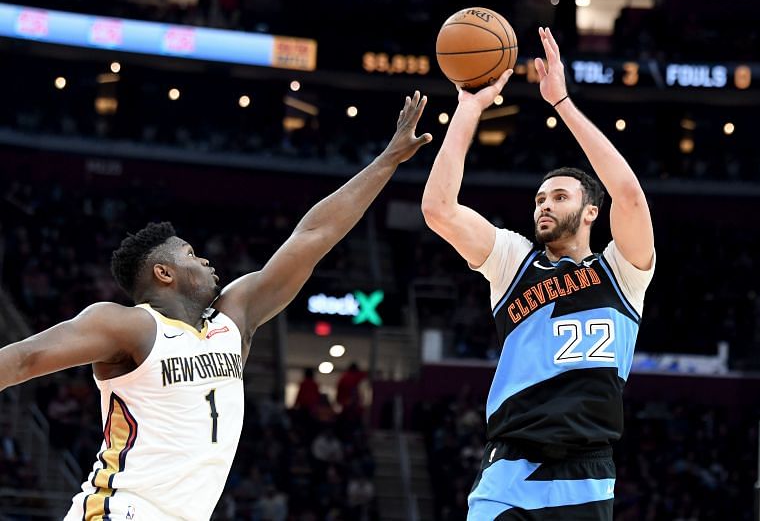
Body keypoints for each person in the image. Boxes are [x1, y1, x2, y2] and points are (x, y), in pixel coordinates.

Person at [0, 91, 432, 520]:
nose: (205, 260)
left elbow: (313, 236)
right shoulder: (128, 327)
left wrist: (387, 160)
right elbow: (24, 359)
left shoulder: (235, 317)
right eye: (189, 254)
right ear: (163, 274)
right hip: (120, 510)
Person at [421, 27, 655, 520]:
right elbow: (439, 209)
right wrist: (468, 108)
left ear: (592, 211)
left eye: (560, 196)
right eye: (539, 199)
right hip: (509, 469)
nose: (545, 205)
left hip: (586, 477)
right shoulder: (513, 262)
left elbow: (630, 195)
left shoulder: (623, 273)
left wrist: (563, 102)